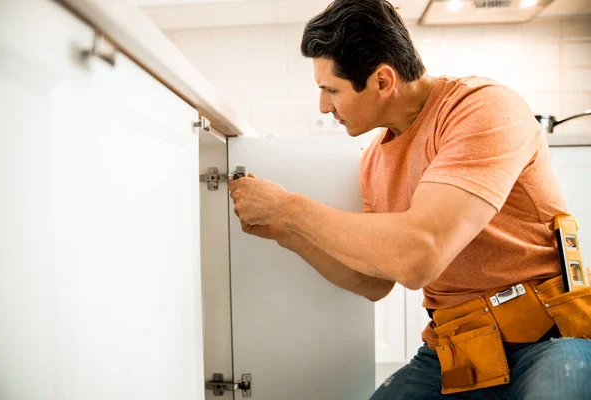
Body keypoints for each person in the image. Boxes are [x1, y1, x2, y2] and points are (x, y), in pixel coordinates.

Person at [227, 0, 591, 398]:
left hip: (551, 336)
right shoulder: (374, 160)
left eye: (331, 90)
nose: (323, 106)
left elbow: (420, 254)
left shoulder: (481, 107)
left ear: (383, 81)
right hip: (458, 351)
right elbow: (372, 282)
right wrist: (286, 231)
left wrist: (288, 206)